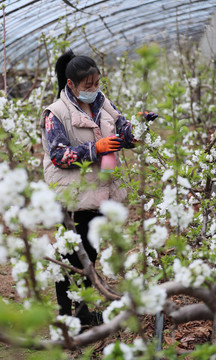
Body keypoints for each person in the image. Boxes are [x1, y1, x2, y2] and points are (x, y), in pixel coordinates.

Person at [40, 49, 157, 326]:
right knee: (73, 256)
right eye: (87, 86)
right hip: (73, 196)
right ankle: (66, 317)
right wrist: (95, 148)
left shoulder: (104, 105)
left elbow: (124, 134)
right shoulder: (54, 114)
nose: (93, 89)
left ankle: (81, 316)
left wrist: (139, 127)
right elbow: (58, 155)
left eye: (96, 83)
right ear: (71, 85)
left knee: (89, 255)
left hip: (101, 192)